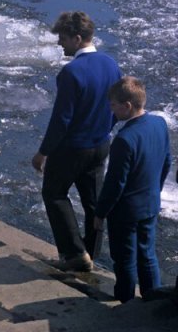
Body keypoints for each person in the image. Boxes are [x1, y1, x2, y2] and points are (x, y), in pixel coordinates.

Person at [31, 11, 122, 272]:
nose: (60, 43)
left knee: (54, 194)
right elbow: (115, 108)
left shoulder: (71, 73)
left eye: (63, 38)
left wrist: (43, 153)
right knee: (93, 202)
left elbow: (62, 120)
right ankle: (89, 254)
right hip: (100, 146)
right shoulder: (111, 64)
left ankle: (74, 253)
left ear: (77, 38)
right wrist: (105, 129)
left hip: (73, 148)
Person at [94, 77, 171, 303]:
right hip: (150, 204)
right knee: (147, 255)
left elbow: (115, 183)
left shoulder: (124, 140)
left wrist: (101, 213)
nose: (111, 110)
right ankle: (153, 302)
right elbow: (166, 162)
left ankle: (125, 304)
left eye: (113, 105)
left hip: (125, 212)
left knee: (125, 259)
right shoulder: (159, 124)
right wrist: (154, 192)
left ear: (127, 105)